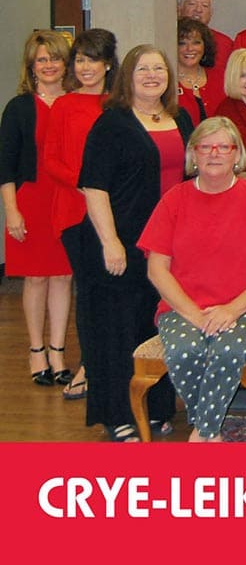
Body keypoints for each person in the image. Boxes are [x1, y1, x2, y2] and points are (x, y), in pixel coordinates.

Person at [139, 116, 246, 442]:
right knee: (184, 351)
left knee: (226, 351)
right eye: (205, 147)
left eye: (224, 146)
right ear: (193, 154)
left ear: (237, 154)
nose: (214, 153)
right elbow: (157, 269)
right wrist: (194, 315)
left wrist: (231, 310)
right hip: (183, 308)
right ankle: (209, 432)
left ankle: (202, 434)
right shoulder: (174, 199)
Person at [78, 44, 194, 441]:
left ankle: (156, 407)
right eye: (143, 69)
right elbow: (94, 187)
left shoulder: (180, 118)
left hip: (164, 245)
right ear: (127, 76)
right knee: (115, 332)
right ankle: (117, 415)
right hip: (120, 242)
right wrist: (110, 242)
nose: (152, 76)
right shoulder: (112, 123)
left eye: (158, 69)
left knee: (154, 325)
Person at [44, 28, 119, 400]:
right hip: (75, 211)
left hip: (114, 212)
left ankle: (112, 364)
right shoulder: (64, 105)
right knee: (89, 291)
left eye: (93, 60)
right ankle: (89, 366)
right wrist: (87, 184)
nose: (85, 67)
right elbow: (51, 159)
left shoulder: (119, 105)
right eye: (80, 60)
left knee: (113, 292)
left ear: (107, 64)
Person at [0, 30, 73, 388]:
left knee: (63, 276)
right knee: (36, 277)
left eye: (55, 58)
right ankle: (36, 351)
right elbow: (5, 165)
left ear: (66, 64)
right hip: (31, 199)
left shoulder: (75, 103)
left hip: (67, 199)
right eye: (41, 59)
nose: (49, 65)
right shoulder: (19, 107)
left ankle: (58, 352)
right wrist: (11, 211)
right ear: (31, 66)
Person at [176, 16, 225, 125]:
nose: (189, 48)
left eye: (196, 43)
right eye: (182, 43)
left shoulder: (221, 77)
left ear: (205, 46)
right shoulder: (167, 82)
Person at [178, 0, 233, 67]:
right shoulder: (170, 38)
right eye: (192, 4)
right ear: (179, 9)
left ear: (211, 12)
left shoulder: (225, 44)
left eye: (205, 5)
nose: (198, 10)